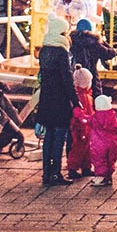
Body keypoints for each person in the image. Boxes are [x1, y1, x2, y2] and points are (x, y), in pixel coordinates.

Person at [34, 15, 82, 185]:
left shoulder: (45, 51)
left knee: (48, 138)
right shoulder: (61, 52)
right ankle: (56, 173)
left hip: (46, 99)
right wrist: (75, 100)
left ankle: (46, 172)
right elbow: (66, 80)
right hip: (60, 100)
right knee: (59, 138)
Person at [87, 94, 117, 187]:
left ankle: (101, 177)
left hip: (98, 145)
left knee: (100, 161)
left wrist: (78, 114)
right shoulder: (113, 118)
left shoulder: (94, 118)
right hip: (112, 143)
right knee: (110, 160)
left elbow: (85, 120)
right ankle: (108, 175)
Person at [70, 19, 112, 93]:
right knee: (95, 98)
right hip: (92, 77)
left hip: (75, 75)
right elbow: (110, 53)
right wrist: (103, 42)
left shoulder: (71, 41)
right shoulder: (94, 42)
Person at [67, 66, 94, 179]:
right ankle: (74, 168)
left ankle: (85, 167)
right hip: (82, 127)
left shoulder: (79, 96)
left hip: (82, 126)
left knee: (83, 148)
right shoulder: (85, 97)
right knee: (79, 148)